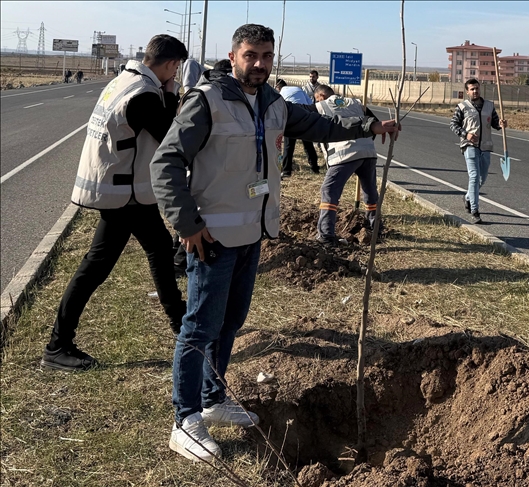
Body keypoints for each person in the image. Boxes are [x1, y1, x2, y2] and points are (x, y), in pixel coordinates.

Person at [150, 24, 399, 463]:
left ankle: (213, 397)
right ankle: (185, 419)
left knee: (230, 323)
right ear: (233, 56)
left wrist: (370, 123)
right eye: (251, 55)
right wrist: (186, 224)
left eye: (266, 55)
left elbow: (322, 125)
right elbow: (166, 161)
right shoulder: (206, 100)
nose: (260, 64)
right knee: (199, 327)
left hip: (252, 234)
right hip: (212, 237)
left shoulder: (274, 103)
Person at [40, 35, 189, 372]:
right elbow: (170, 135)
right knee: (100, 266)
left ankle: (181, 324)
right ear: (169, 64)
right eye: (176, 67)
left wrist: (166, 92)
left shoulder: (125, 80)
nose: (176, 72)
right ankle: (57, 347)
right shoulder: (143, 95)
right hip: (124, 193)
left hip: (121, 190)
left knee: (155, 251)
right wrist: (172, 94)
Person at [312, 84, 380, 246]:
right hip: (368, 151)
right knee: (370, 190)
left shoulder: (321, 106)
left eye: (316, 98)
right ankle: (375, 227)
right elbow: (374, 123)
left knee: (329, 191)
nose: (315, 101)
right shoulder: (355, 103)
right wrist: (365, 144)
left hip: (344, 153)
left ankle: (326, 235)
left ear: (321, 96)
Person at [449, 78, 506, 224]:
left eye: (477, 88)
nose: (475, 91)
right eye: (472, 89)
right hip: (469, 145)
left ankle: (468, 197)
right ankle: (475, 210)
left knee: (482, 178)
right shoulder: (462, 107)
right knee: (474, 176)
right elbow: (453, 125)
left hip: (486, 146)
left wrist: (501, 124)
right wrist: (465, 134)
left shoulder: (489, 106)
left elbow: (495, 123)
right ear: (467, 92)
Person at [275, 78, 320, 177]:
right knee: (308, 144)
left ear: (278, 87)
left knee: (289, 146)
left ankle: (287, 171)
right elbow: (309, 103)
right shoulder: (298, 89)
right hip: (305, 114)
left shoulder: (280, 92)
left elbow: (278, 106)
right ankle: (315, 168)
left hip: (291, 115)